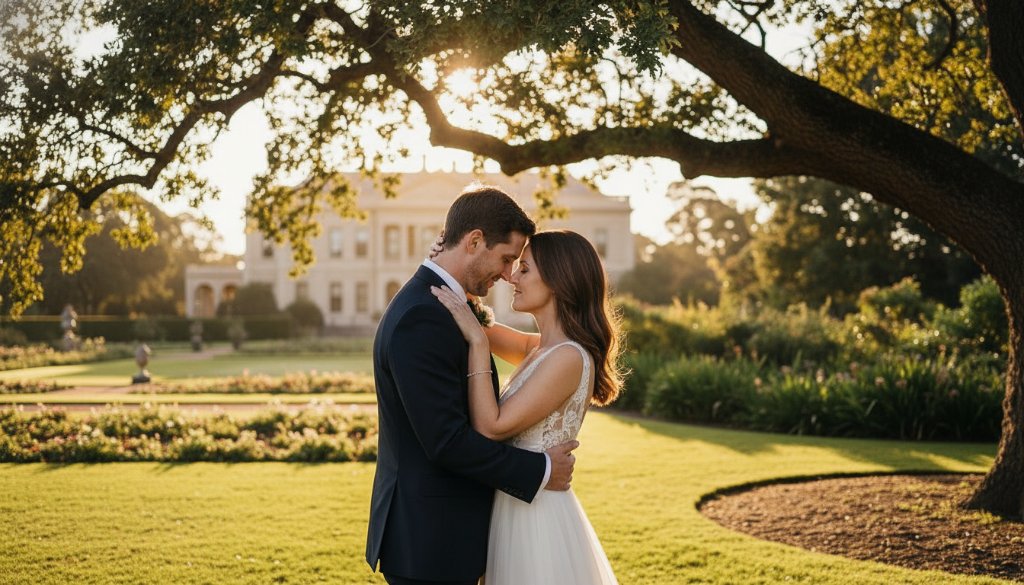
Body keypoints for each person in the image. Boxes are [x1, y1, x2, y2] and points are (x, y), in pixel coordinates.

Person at [365, 185, 579, 585]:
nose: (507, 274)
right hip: (431, 544)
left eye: (518, 265)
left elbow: (534, 346)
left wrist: (476, 322)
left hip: (449, 537)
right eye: (506, 259)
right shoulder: (424, 317)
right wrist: (542, 469)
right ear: (475, 240)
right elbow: (446, 441)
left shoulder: (442, 304)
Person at [430, 229, 622, 584]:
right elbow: (475, 319)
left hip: (537, 518)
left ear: (558, 281)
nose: (510, 277)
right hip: (516, 503)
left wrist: (475, 343)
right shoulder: (541, 348)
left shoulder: (568, 357)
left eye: (524, 269)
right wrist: (448, 261)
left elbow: (492, 425)